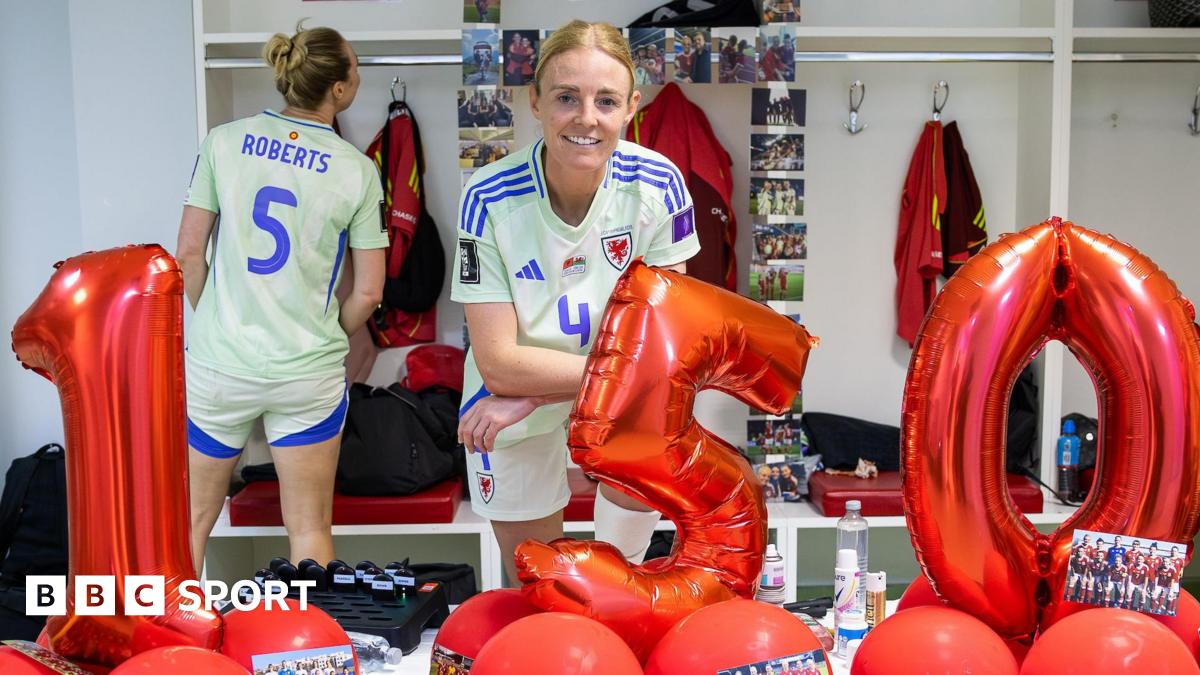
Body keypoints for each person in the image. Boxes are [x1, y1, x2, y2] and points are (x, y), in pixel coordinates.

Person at [452, 20, 700, 585]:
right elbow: (498, 363)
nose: (587, 118)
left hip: (602, 400)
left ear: (631, 107)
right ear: (535, 101)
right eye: (566, 97)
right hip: (510, 403)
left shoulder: (658, 184)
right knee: (544, 591)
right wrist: (528, 389)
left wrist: (537, 389)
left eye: (606, 101)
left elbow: (667, 351)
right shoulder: (486, 196)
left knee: (615, 587)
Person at [176, 23, 387, 572]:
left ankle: (173, 627)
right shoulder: (358, 170)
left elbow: (189, 256)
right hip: (306, 374)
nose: (359, 77)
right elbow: (369, 292)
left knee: (189, 521)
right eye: (356, 68)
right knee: (309, 528)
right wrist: (327, 333)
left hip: (219, 368)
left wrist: (218, 320)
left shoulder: (223, 141)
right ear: (338, 89)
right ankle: (308, 633)